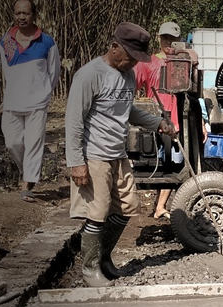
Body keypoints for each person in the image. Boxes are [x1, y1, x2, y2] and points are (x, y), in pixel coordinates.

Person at [65, 22, 176, 287]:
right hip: (94, 156)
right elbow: (74, 120)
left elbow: (128, 111)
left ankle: (103, 258)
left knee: (127, 207)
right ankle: (89, 269)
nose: (133, 63)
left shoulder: (126, 75)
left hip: (117, 153)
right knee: (97, 212)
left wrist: (156, 123)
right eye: (130, 57)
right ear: (115, 47)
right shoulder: (89, 74)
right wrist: (76, 162)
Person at [133, 21, 206, 220]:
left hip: (180, 120)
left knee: (175, 163)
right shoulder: (148, 62)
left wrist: (200, 123)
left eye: (173, 39)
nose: (169, 43)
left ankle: (160, 205)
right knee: (163, 164)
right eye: (165, 38)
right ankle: (160, 206)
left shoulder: (185, 61)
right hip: (155, 120)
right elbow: (133, 85)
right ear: (159, 38)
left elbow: (194, 95)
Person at [0, 0, 60, 203]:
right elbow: (6, 71)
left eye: (26, 13)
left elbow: (54, 73)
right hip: (12, 101)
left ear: (34, 15)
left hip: (37, 102)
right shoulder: (6, 41)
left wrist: (43, 94)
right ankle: (28, 171)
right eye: (18, 13)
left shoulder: (47, 42)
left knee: (34, 143)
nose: (21, 17)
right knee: (12, 142)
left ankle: (27, 184)